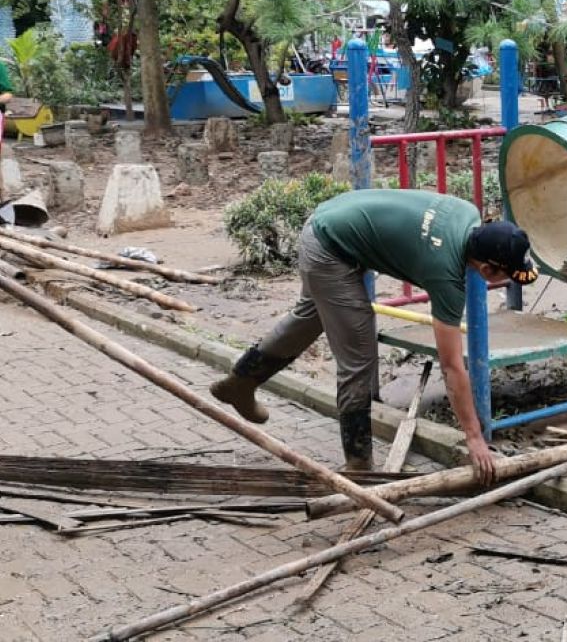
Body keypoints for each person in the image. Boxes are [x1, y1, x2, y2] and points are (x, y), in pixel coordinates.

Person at [210, 189, 537, 481]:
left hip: (331, 219)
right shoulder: (446, 274)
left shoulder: (467, 213)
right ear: (488, 269)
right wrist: (474, 437)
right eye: (504, 275)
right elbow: (452, 366)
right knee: (359, 356)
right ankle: (359, 466)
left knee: (309, 319)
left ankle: (240, 382)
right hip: (331, 249)